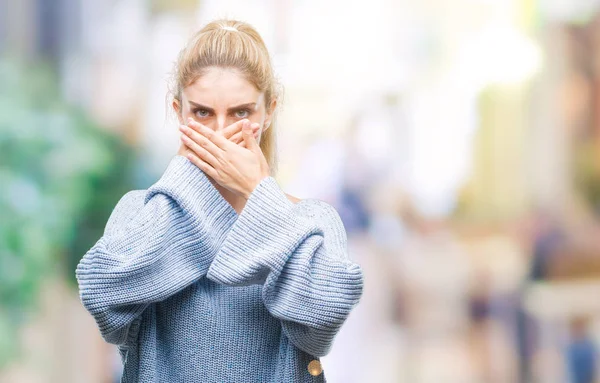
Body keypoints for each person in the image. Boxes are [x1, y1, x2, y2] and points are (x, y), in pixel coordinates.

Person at [75, 19, 364, 383]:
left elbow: (321, 322)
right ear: (178, 110)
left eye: (241, 113)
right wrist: (184, 180)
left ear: (269, 111)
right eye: (202, 113)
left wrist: (261, 194)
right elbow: (105, 303)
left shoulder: (310, 220)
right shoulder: (141, 211)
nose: (219, 133)